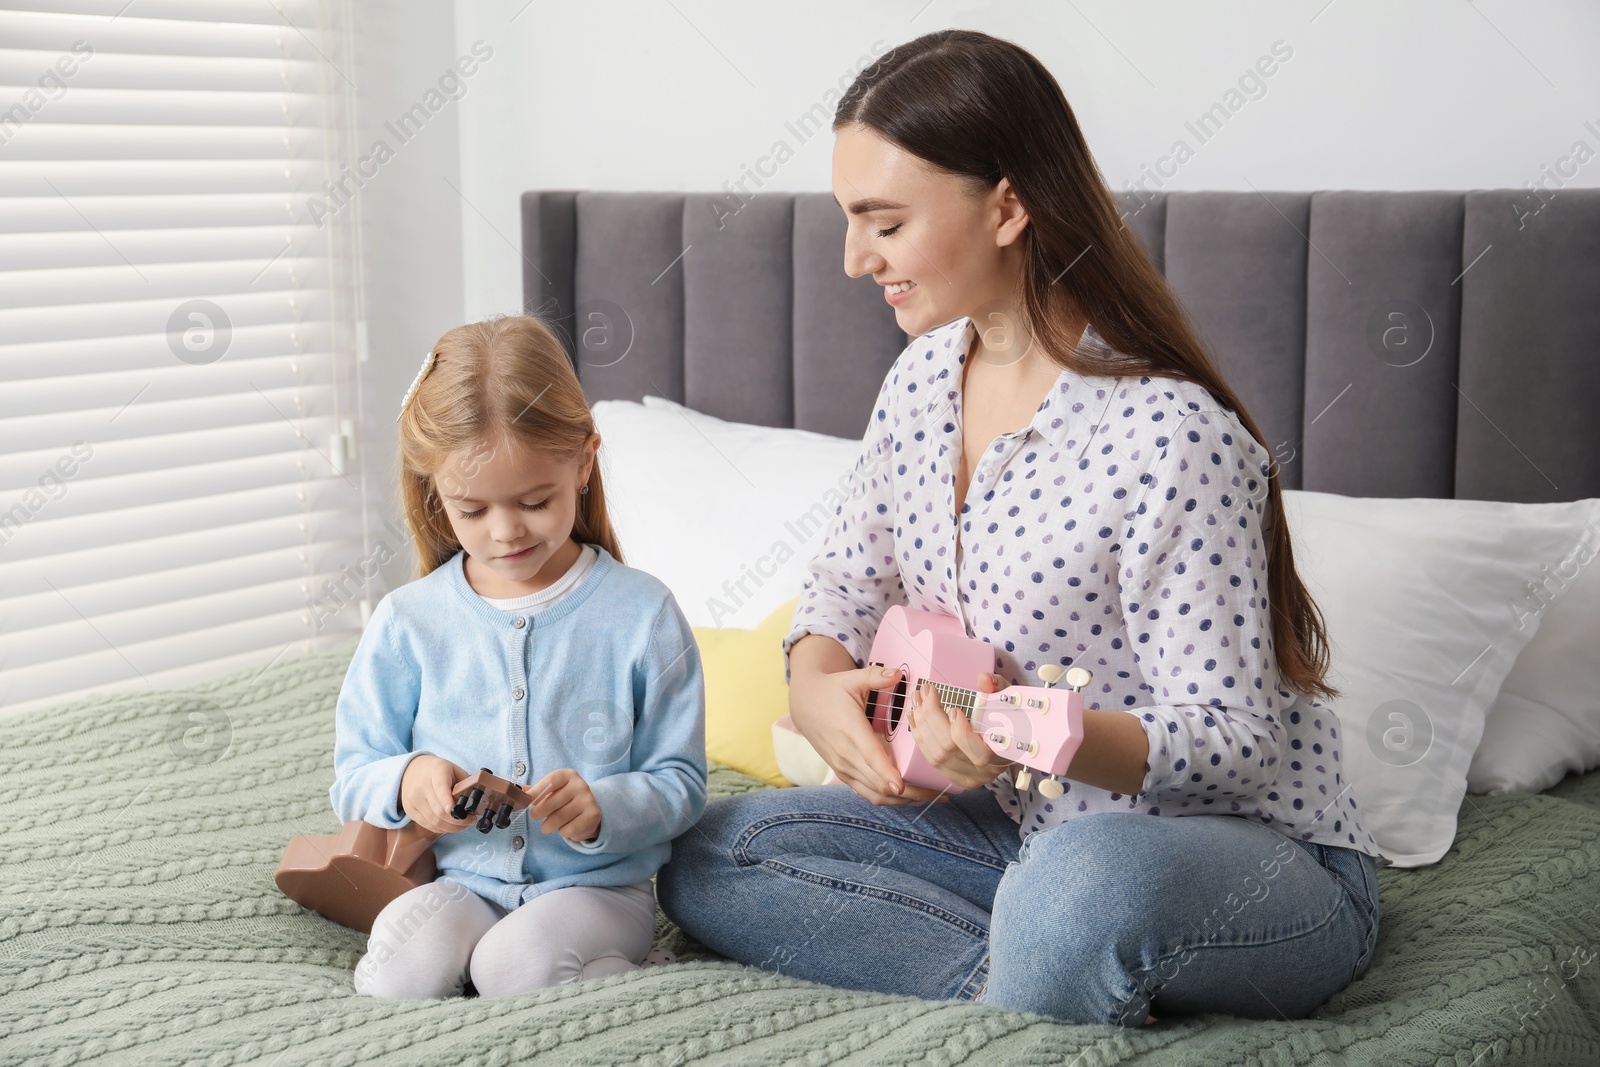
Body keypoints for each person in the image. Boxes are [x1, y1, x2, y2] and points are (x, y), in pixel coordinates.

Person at [658, 29, 1383, 1028]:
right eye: (849, 220)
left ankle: (1045, 971)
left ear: (1005, 205)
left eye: (884, 222)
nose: (851, 257)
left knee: (1083, 887)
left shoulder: (1168, 436)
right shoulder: (920, 380)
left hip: (1241, 859)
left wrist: (1018, 727)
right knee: (706, 849)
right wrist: (814, 684)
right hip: (1019, 834)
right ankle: (1040, 980)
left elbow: (1236, 744)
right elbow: (842, 584)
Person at [331, 314, 707, 1000]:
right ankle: (601, 982)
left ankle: (624, 974)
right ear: (435, 491)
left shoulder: (643, 614)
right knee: (396, 974)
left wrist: (603, 806)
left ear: (584, 461)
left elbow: (682, 782)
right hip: (466, 884)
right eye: (471, 510)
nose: (505, 532)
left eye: (535, 501)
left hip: (600, 889)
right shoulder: (408, 622)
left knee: (510, 967)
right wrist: (409, 778)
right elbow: (353, 772)